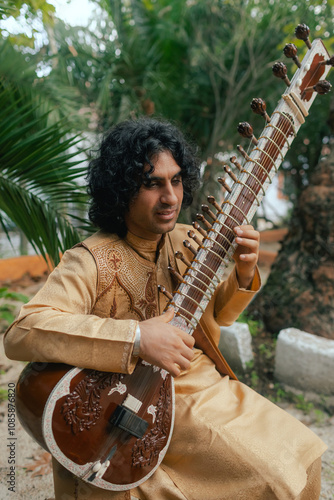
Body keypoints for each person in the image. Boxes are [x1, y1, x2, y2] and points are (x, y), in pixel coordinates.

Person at [4, 117, 326, 500]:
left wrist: (243, 273)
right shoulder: (91, 260)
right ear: (122, 190)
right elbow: (23, 331)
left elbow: (214, 320)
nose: (170, 197)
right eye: (152, 183)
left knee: (304, 461)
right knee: (272, 479)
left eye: (176, 180)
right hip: (124, 402)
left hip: (198, 383)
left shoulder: (189, 239)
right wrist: (137, 338)